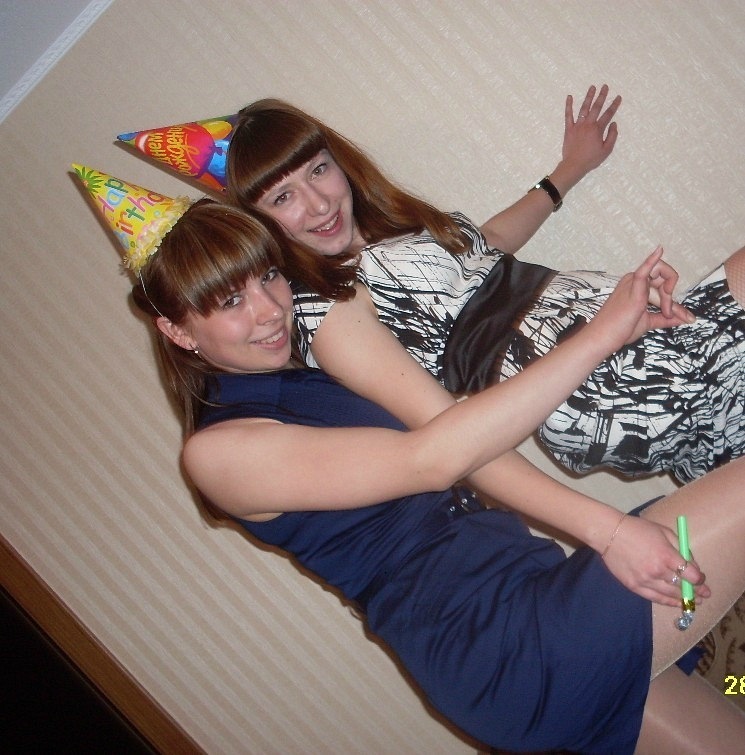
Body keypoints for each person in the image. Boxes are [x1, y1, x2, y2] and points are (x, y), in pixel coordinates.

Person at [73, 166, 745, 753]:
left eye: (268, 275)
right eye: (230, 300)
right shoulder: (217, 453)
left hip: (529, 586)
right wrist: (601, 338)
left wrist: (563, 183)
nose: (270, 309)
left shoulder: (308, 374)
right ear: (176, 329)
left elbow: (470, 269)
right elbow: (433, 458)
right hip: (500, 646)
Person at [224, 87, 745, 486]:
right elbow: (448, 435)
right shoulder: (323, 305)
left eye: (318, 170)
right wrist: (602, 332)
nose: (317, 203)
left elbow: (486, 244)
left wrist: (568, 171)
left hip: (628, 339)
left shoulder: (389, 230)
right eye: (282, 197)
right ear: (259, 224)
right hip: (596, 388)